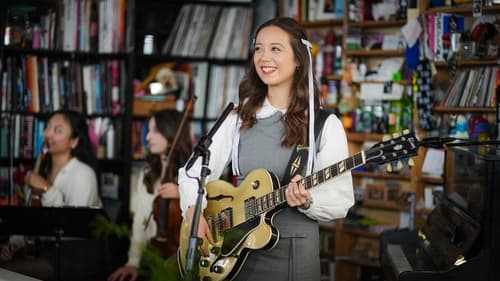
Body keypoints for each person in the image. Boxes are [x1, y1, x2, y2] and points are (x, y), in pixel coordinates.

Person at [178, 17, 354, 281]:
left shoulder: (324, 125)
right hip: (234, 252)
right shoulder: (238, 117)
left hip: (293, 257)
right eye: (258, 48)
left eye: (275, 48)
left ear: (298, 59)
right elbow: (192, 172)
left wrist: (308, 200)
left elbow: (341, 200)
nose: (263, 57)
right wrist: (194, 212)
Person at [0, 109, 103, 280]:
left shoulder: (84, 174)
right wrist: (11, 244)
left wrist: (47, 188)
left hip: (74, 255)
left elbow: (71, 229)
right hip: (44, 251)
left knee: (6, 273)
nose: (47, 134)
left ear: (74, 141)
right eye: (47, 127)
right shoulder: (41, 171)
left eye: (57, 130)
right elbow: (30, 218)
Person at [108, 109, 192, 281]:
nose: (147, 138)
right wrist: (133, 262)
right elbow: (139, 222)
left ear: (171, 132)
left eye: (154, 131)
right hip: (150, 256)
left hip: (181, 261)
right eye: (148, 131)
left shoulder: (192, 175)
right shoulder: (147, 173)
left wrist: (183, 194)